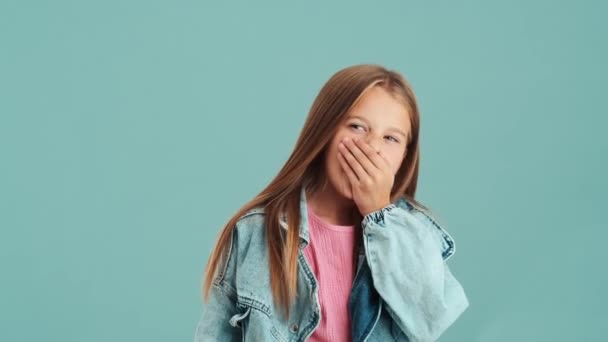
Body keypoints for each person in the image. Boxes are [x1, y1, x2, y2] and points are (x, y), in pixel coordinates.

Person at [193, 64, 470, 342]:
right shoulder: (256, 233)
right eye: (357, 127)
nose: (371, 148)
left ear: (404, 156)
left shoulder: (413, 236)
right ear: (325, 132)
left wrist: (379, 214)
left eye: (390, 138)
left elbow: (430, 319)